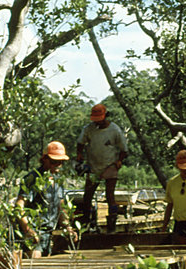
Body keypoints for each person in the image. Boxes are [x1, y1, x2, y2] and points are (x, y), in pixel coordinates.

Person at [15, 141, 76, 258]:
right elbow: (19, 206)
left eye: (61, 162)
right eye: (54, 161)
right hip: (34, 232)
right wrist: (28, 230)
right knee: (35, 264)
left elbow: (61, 207)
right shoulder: (32, 179)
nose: (58, 165)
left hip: (48, 234)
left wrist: (67, 227)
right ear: (44, 159)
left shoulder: (58, 181)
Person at [75, 103, 128, 232]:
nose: (97, 123)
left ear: (105, 117)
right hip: (93, 166)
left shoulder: (115, 130)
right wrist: (79, 155)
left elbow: (124, 149)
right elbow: (80, 143)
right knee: (88, 196)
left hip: (110, 165)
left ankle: (112, 225)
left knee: (110, 196)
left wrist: (119, 161)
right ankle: (87, 223)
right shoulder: (89, 129)